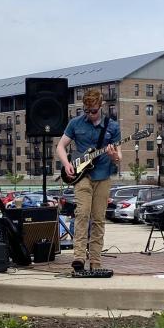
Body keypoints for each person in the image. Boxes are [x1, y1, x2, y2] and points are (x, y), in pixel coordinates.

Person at [56, 88, 121, 271]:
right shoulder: (75, 124)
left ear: (101, 106)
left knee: (99, 218)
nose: (90, 114)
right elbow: (60, 146)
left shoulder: (113, 127)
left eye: (93, 111)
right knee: (82, 214)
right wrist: (66, 163)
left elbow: (119, 158)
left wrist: (114, 155)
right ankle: (78, 257)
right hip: (81, 176)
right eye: (86, 110)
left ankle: (95, 260)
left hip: (103, 176)